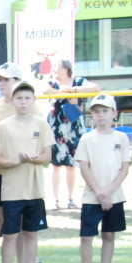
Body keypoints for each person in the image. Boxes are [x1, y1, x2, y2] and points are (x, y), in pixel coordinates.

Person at [0, 81, 54, 263]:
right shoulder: (3, 126)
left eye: (27, 98)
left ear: (33, 101)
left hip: (34, 190)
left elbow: (47, 156)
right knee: (10, 235)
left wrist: (33, 159)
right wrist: (15, 161)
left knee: (31, 233)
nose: (23, 102)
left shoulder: (41, 124)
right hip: (12, 190)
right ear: (13, 101)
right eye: (19, 98)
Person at [67, 94, 130, 263]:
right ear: (92, 115)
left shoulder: (121, 138)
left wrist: (110, 192)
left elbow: (125, 168)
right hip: (91, 197)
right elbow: (84, 168)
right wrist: (100, 193)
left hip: (115, 197)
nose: (101, 115)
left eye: (105, 111)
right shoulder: (87, 138)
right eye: (97, 111)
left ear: (114, 113)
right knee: (86, 236)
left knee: (109, 235)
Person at [42, 59, 99, 209]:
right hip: (56, 127)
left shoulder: (78, 81)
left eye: (56, 66)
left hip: (74, 126)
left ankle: (70, 198)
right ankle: (55, 199)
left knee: (71, 165)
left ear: (66, 68)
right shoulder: (51, 82)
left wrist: (73, 90)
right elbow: (46, 91)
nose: (53, 69)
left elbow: (95, 88)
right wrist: (65, 94)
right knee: (55, 165)